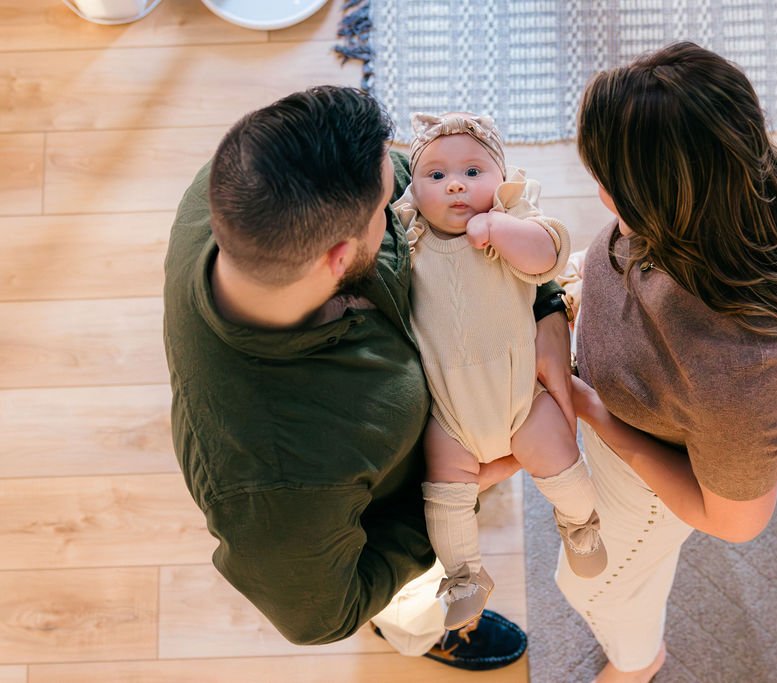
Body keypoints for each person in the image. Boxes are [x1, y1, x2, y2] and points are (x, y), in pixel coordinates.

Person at [162, 86, 574, 671]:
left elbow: (424, 190)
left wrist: (545, 305)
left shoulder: (240, 184)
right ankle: (425, 632)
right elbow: (321, 615)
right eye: (389, 202)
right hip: (419, 503)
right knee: (416, 607)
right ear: (338, 258)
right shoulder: (277, 489)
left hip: (467, 400)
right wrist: (450, 494)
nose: (407, 191)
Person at [557, 42, 777, 682]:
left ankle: (638, 662)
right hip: (620, 418)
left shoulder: (742, 378)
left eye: (608, 182)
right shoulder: (732, 193)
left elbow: (734, 521)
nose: (599, 194)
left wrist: (599, 416)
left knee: (593, 588)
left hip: (645, 488)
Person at [393, 112, 607, 630]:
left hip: (520, 396)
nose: (456, 186)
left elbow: (547, 259)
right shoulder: (410, 238)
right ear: (413, 191)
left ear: (502, 178)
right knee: (444, 495)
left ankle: (580, 524)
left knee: (561, 458)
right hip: (450, 413)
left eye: (473, 171)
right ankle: (463, 575)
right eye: (436, 176)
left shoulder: (510, 224)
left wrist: (499, 228)